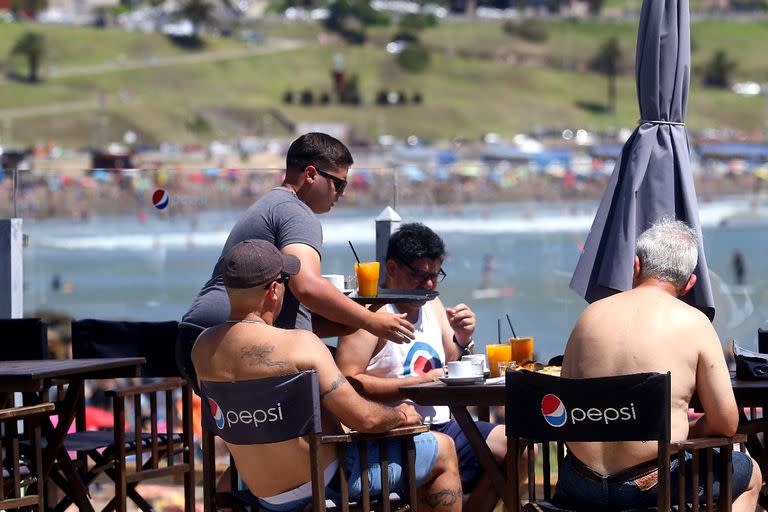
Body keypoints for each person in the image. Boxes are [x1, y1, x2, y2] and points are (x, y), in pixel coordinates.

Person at [192, 239, 462, 512]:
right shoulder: (301, 345)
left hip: (261, 490)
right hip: (326, 479)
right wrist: (401, 415)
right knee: (444, 449)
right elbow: (365, 419)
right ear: (273, 290)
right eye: (285, 280)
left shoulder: (202, 349)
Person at [177, 132, 416, 389]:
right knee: (337, 408)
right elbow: (307, 286)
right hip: (232, 338)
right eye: (339, 184)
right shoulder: (297, 213)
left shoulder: (270, 204)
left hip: (200, 338)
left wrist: (349, 322)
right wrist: (371, 322)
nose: (342, 194)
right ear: (311, 174)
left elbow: (283, 307)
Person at [558, 218, 761, 512]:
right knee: (750, 472)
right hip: (651, 486)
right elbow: (726, 423)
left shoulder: (589, 316)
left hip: (578, 484)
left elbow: (565, 406)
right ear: (690, 283)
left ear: (636, 266)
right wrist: (685, 429)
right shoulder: (694, 322)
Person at [336, 223, 509, 508]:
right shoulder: (370, 316)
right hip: (395, 431)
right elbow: (346, 383)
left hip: (446, 423)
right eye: (419, 275)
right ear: (391, 268)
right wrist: (418, 383)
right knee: (443, 452)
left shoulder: (432, 306)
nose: (429, 285)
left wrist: (462, 338)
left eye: (435, 275)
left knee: (517, 445)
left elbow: (450, 365)